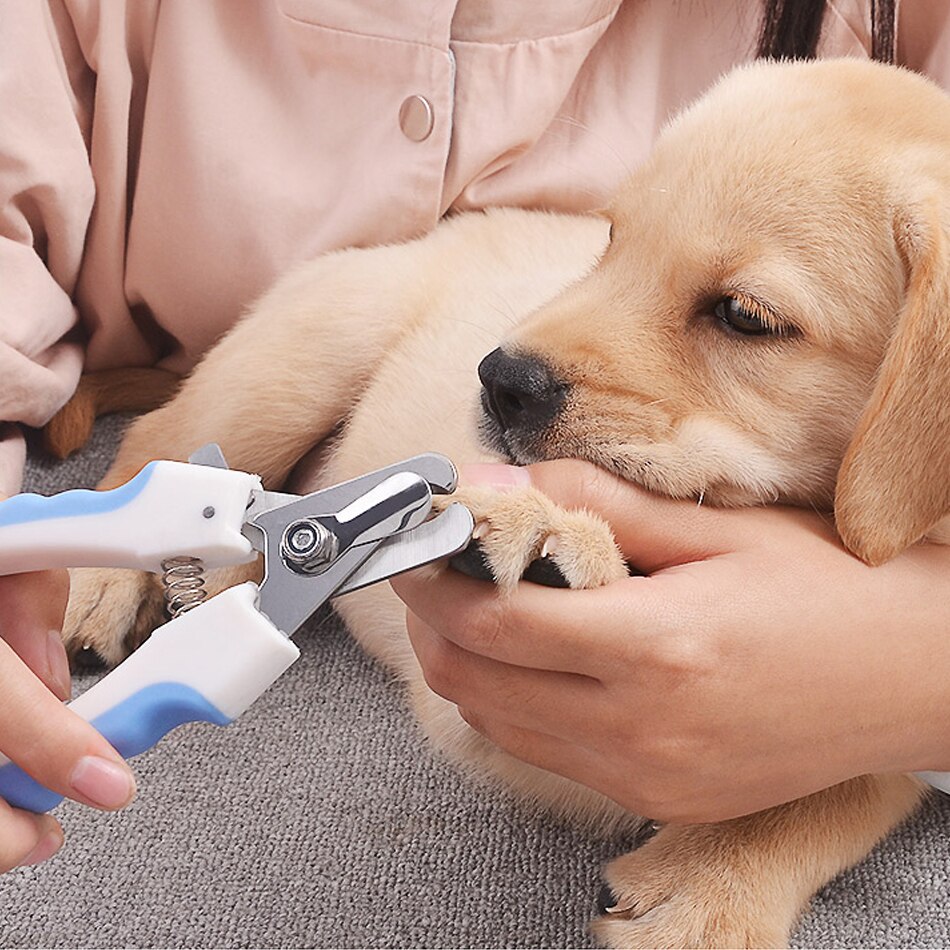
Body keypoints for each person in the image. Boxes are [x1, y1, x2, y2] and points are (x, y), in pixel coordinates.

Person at [2, 0, 948, 872]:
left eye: (742, 315)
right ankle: (153, 508)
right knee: (346, 311)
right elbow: (467, 703)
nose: (519, 360)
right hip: (407, 310)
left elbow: (881, 754)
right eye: (612, 238)